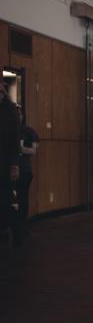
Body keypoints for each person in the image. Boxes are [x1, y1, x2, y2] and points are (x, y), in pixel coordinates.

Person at [12, 107, 38, 248]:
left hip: (25, 170)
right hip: (9, 169)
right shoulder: (8, 130)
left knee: (22, 198)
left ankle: (21, 226)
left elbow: (33, 150)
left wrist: (20, 149)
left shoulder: (28, 131)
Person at [0, 81, 20, 242]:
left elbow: (14, 140)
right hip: (5, 162)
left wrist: (14, 165)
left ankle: (12, 227)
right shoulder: (9, 108)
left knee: (5, 199)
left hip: (5, 163)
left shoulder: (9, 110)